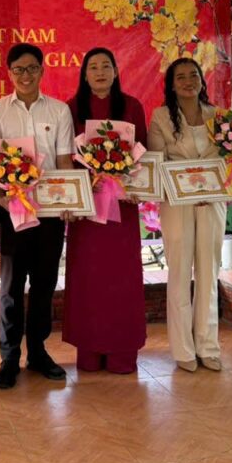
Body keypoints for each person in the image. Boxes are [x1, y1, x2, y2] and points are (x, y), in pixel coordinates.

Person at [0, 43, 74, 389]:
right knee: (10, 286)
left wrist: (70, 199)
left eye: (32, 68)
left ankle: (37, 352)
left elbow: (63, 161)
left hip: (50, 213)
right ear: (9, 73)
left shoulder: (59, 111)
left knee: (44, 284)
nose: (26, 75)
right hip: (13, 211)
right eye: (19, 69)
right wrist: (1, 199)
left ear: (41, 71)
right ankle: (9, 357)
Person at [64, 47, 148, 373]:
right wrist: (72, 197)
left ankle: (122, 352)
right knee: (88, 279)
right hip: (87, 210)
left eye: (105, 66)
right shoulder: (71, 109)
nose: (100, 72)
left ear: (115, 71)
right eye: (93, 67)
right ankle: (89, 349)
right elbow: (65, 158)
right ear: (84, 75)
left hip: (122, 210)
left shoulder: (132, 106)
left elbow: (143, 154)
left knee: (122, 279)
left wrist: (137, 188)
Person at [147, 57, 226, 372]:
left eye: (193, 75)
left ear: (202, 80)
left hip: (212, 202)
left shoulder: (218, 116)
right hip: (176, 202)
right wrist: (189, 188)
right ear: (171, 84)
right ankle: (183, 350)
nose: (188, 81)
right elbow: (157, 161)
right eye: (180, 77)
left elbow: (229, 158)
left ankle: (208, 347)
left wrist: (211, 187)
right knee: (179, 273)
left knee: (209, 273)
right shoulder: (161, 117)